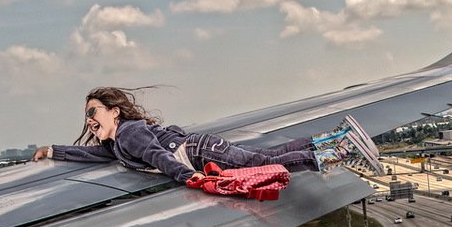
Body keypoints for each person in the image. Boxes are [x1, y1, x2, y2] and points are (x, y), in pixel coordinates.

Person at [30, 87, 376, 193]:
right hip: (200, 148)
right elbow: (91, 155)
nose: (89, 121)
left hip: (196, 154)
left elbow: (158, 156)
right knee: (264, 158)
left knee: (265, 165)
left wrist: (189, 177)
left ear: (114, 112)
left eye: (93, 112)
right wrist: (52, 151)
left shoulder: (130, 133)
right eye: (87, 116)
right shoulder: (117, 143)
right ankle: (333, 139)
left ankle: (342, 150)